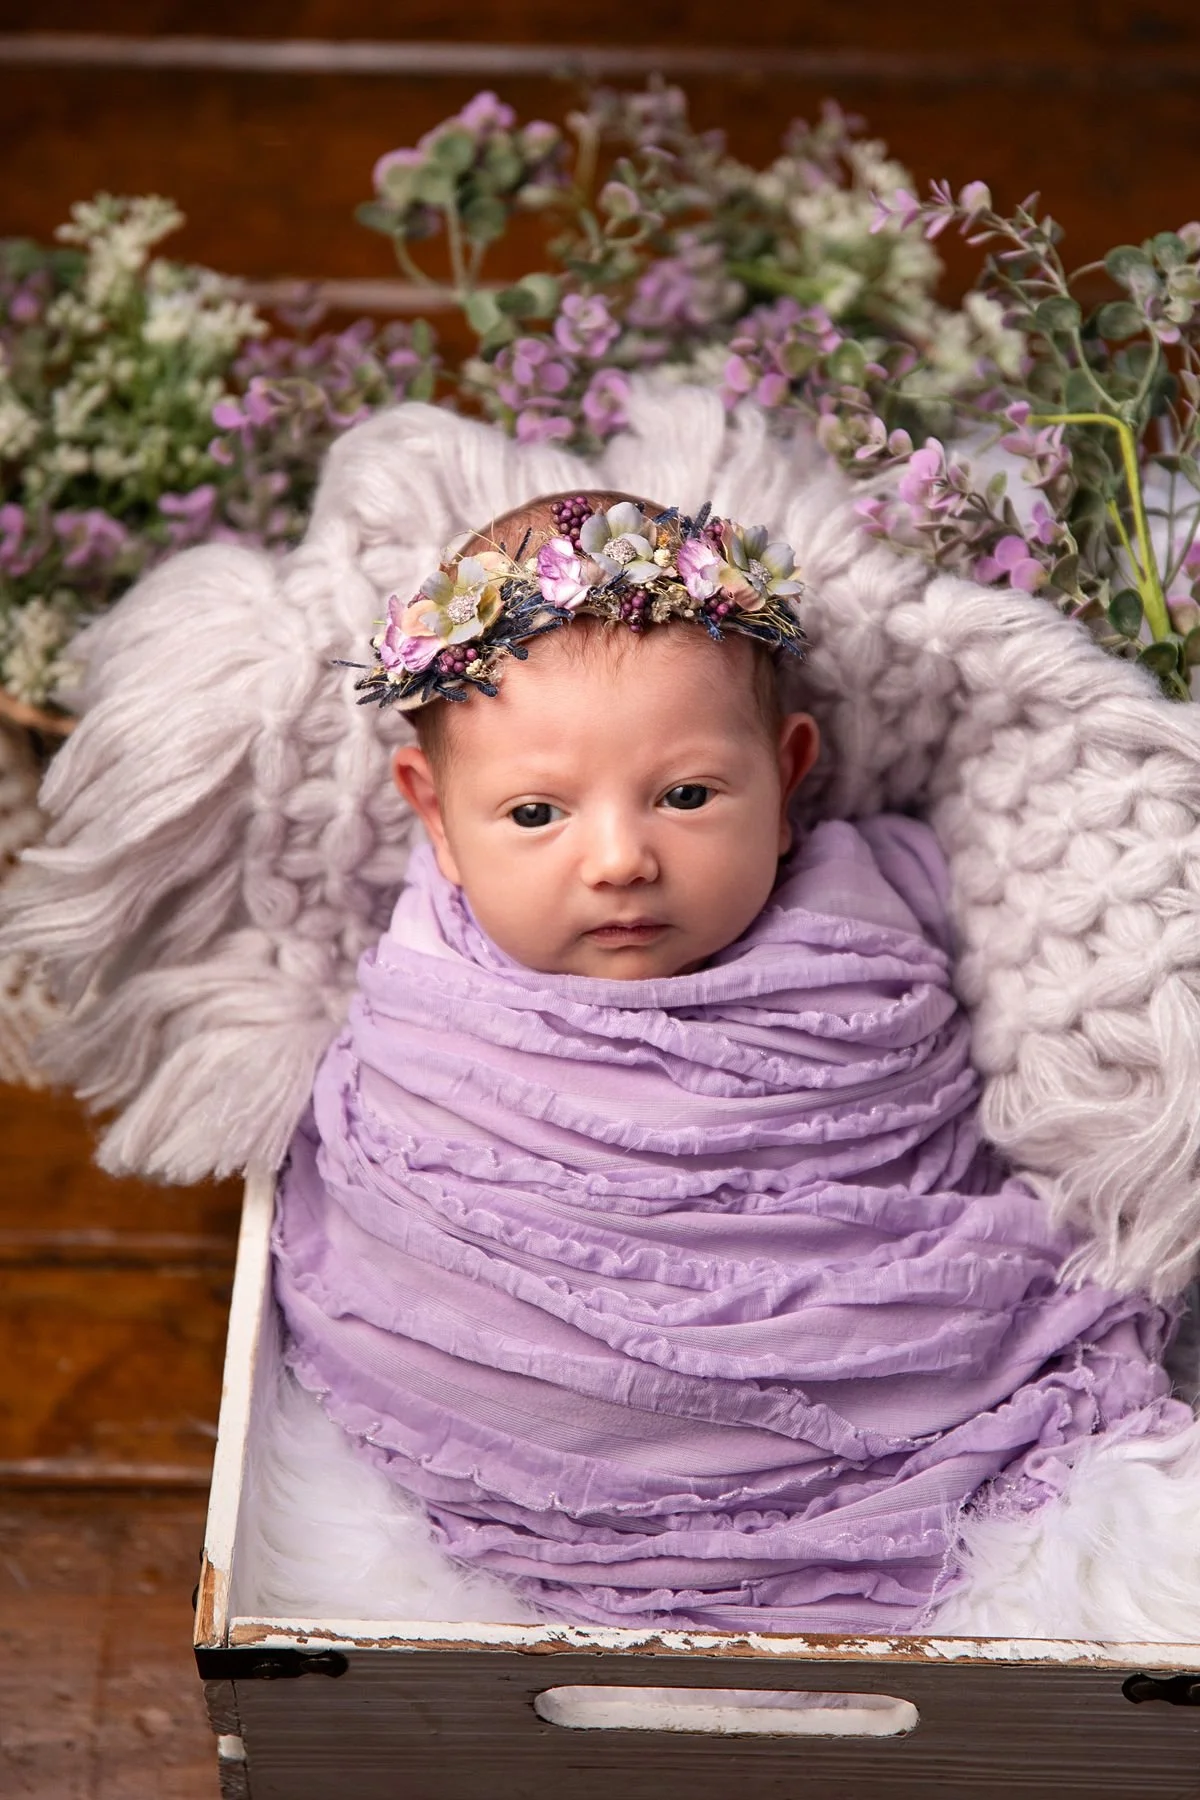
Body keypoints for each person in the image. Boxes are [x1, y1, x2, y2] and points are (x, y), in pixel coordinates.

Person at [271, 487, 1185, 1635]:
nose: (618, 860)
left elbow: (955, 1162)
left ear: (789, 778)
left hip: (893, 1367)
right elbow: (387, 1229)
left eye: (688, 796)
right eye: (536, 813)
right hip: (511, 1454)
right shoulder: (429, 1000)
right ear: (437, 819)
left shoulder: (875, 921)